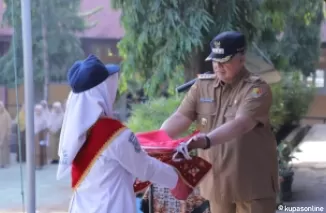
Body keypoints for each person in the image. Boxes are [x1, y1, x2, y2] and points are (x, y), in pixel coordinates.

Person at [161, 31, 279, 213]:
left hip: (252, 187)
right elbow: (181, 117)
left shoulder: (257, 89)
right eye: (215, 60)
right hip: (217, 187)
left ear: (242, 59)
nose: (218, 66)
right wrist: (156, 142)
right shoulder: (202, 86)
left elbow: (242, 124)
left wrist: (205, 140)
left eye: (225, 60)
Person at [57, 54, 190, 213]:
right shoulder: (113, 134)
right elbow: (145, 167)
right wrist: (175, 180)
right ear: (101, 91)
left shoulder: (76, 134)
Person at [34, 104, 48, 169]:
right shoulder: (32, 117)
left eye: (39, 110)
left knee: (41, 150)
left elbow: (45, 126)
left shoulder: (44, 117)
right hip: (34, 136)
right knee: (35, 150)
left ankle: (40, 164)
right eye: (37, 110)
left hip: (41, 135)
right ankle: (35, 164)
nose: (38, 111)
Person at [0, 101, 12, 168]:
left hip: (5, 135)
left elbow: (9, 125)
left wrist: (8, 133)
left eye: (0, 106)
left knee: (4, 149)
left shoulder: (6, 114)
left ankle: (4, 163)